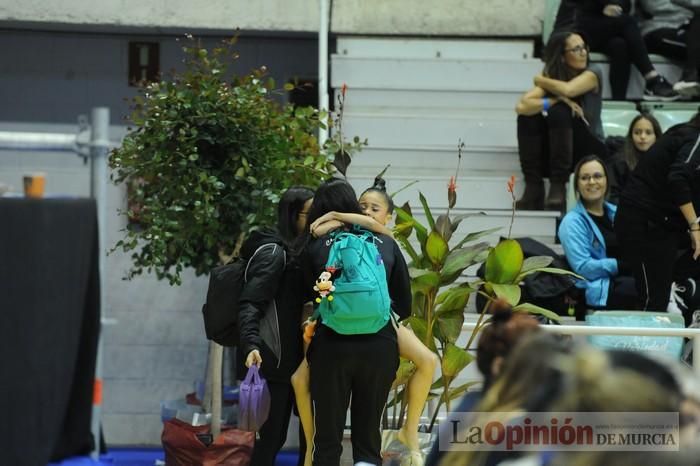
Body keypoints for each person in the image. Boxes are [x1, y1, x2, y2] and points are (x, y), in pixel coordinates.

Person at [292, 176, 437, 466]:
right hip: (378, 346)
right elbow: (404, 306)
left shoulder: (318, 246)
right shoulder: (384, 242)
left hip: (331, 346)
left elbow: (311, 295)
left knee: (328, 440)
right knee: (368, 438)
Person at [237, 185, 314, 466]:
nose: (315, 217)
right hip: (274, 362)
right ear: (292, 215)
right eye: (310, 212)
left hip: (295, 361)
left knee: (298, 440)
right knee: (270, 441)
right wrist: (251, 343)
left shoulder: (301, 252)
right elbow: (250, 303)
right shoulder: (274, 254)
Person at [614, 110, 700, 312]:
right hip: (642, 221)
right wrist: (694, 226)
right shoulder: (693, 137)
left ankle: (679, 285)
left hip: (663, 223)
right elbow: (678, 178)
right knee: (652, 299)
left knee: (658, 295)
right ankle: (649, 339)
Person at [515, 31, 608, 211]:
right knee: (529, 117)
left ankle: (558, 186)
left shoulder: (593, 72)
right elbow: (522, 106)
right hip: (560, 149)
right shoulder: (553, 75)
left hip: (589, 148)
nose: (583, 53)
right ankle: (533, 187)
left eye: (584, 48)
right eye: (576, 49)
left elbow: (569, 90)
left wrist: (540, 80)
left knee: (559, 112)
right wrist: (554, 100)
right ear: (563, 56)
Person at [558, 155, 639, 310]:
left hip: (626, 281)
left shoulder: (618, 213)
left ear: (606, 181)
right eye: (585, 178)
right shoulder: (571, 222)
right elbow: (583, 268)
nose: (592, 182)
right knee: (640, 288)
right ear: (577, 185)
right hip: (598, 288)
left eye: (597, 176)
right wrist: (620, 265)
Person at [573, 0, 679, 100]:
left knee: (619, 45)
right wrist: (602, 7)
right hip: (581, 25)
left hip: (607, 27)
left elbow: (626, 5)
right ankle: (652, 78)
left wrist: (616, 6)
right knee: (628, 22)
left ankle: (619, 101)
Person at [637, 0, 700, 98]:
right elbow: (653, 6)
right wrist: (688, 7)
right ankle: (689, 76)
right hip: (657, 29)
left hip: (687, 29)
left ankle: (690, 76)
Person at [608, 112, 663, 203]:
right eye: (637, 132)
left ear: (656, 136)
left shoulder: (666, 161)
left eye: (648, 133)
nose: (642, 137)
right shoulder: (619, 162)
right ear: (631, 136)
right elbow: (612, 196)